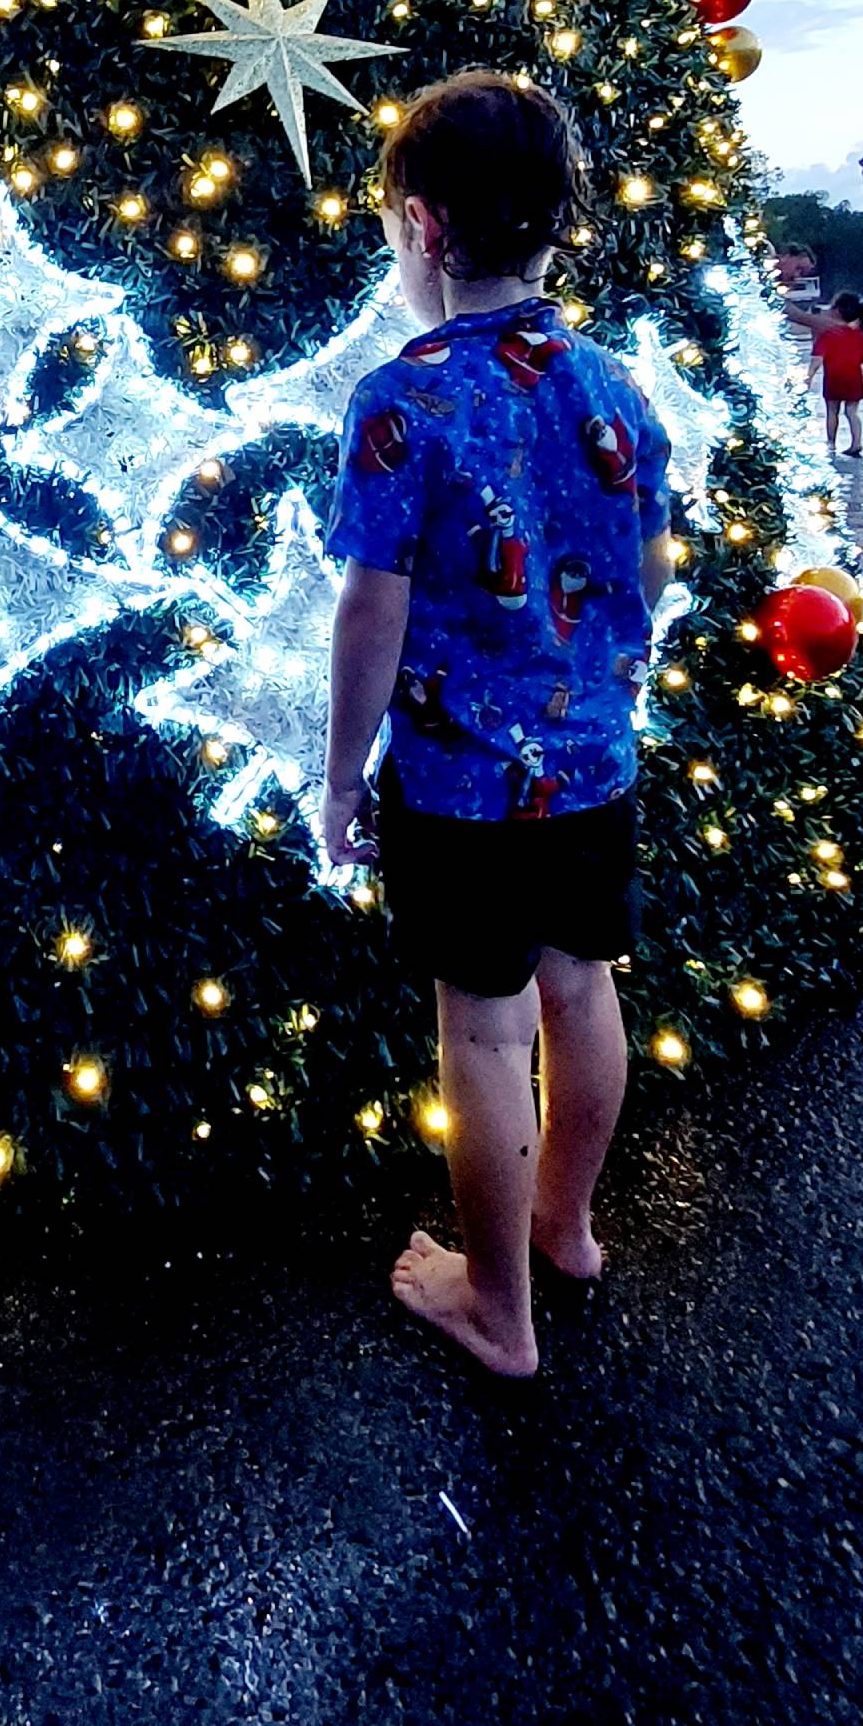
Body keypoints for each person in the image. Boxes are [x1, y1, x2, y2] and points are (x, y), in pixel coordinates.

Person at [321, 72, 675, 1379]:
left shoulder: (403, 401)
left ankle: (497, 1309)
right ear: (552, 223)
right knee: (582, 989)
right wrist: (612, 675)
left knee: (482, 1026)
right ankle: (564, 1232)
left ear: (423, 226)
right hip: (593, 760)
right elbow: (652, 558)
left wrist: (342, 778)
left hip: (462, 786)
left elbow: (371, 611)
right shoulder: (612, 385)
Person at [806, 290, 863, 458]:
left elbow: (817, 360)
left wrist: (809, 377)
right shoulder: (859, 336)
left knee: (831, 412)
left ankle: (831, 444)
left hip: (834, 378)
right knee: (852, 412)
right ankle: (856, 443)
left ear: (837, 311)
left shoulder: (827, 335)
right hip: (854, 378)